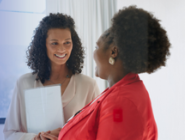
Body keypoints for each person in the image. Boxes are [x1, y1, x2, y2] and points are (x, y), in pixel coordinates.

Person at [50, 6, 170, 140]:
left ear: (113, 52)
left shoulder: (121, 102)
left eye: (97, 47)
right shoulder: (121, 90)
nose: (93, 53)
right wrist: (66, 132)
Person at [3, 13, 100, 140]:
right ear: (43, 45)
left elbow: (98, 132)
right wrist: (36, 138)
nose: (62, 49)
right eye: (54, 43)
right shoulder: (24, 83)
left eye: (67, 43)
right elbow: (10, 134)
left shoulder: (88, 85)